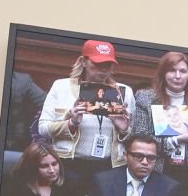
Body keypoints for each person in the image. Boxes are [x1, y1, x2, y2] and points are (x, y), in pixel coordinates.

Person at [38, 38, 135, 180]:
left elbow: (133, 138)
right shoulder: (61, 87)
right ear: (83, 61)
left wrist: (124, 130)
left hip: (109, 167)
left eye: (108, 64)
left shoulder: (124, 92)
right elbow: (43, 129)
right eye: (97, 63)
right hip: (69, 164)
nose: (103, 69)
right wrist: (71, 123)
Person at [132, 50, 188, 195]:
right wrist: (177, 139)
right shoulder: (145, 99)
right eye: (172, 71)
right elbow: (139, 139)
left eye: (183, 71)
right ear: (163, 73)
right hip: (154, 172)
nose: (178, 76)